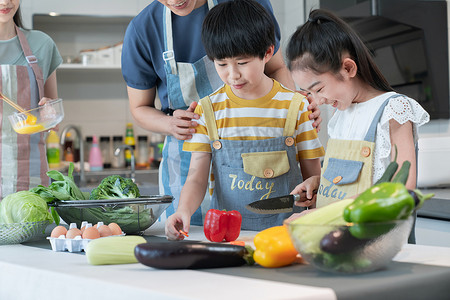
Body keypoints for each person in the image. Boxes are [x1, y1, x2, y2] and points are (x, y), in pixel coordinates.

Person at [121, 0, 322, 225]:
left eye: (242, 62)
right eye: (221, 64)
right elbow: (139, 108)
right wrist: (169, 124)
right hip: (190, 146)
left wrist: (295, 109)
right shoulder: (144, 29)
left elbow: (313, 177)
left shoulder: (250, 6)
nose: (233, 75)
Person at [285, 9, 430, 241]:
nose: (318, 101)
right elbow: (352, 178)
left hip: (381, 242)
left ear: (349, 68)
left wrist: (320, 215)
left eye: (319, 89)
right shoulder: (339, 115)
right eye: (309, 92)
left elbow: (401, 190)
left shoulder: (394, 109)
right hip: (339, 241)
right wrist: (321, 184)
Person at [0, 0, 62, 198]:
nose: (5, 1)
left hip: (30, 180)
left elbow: (51, 107)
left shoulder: (42, 45)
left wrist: (49, 112)